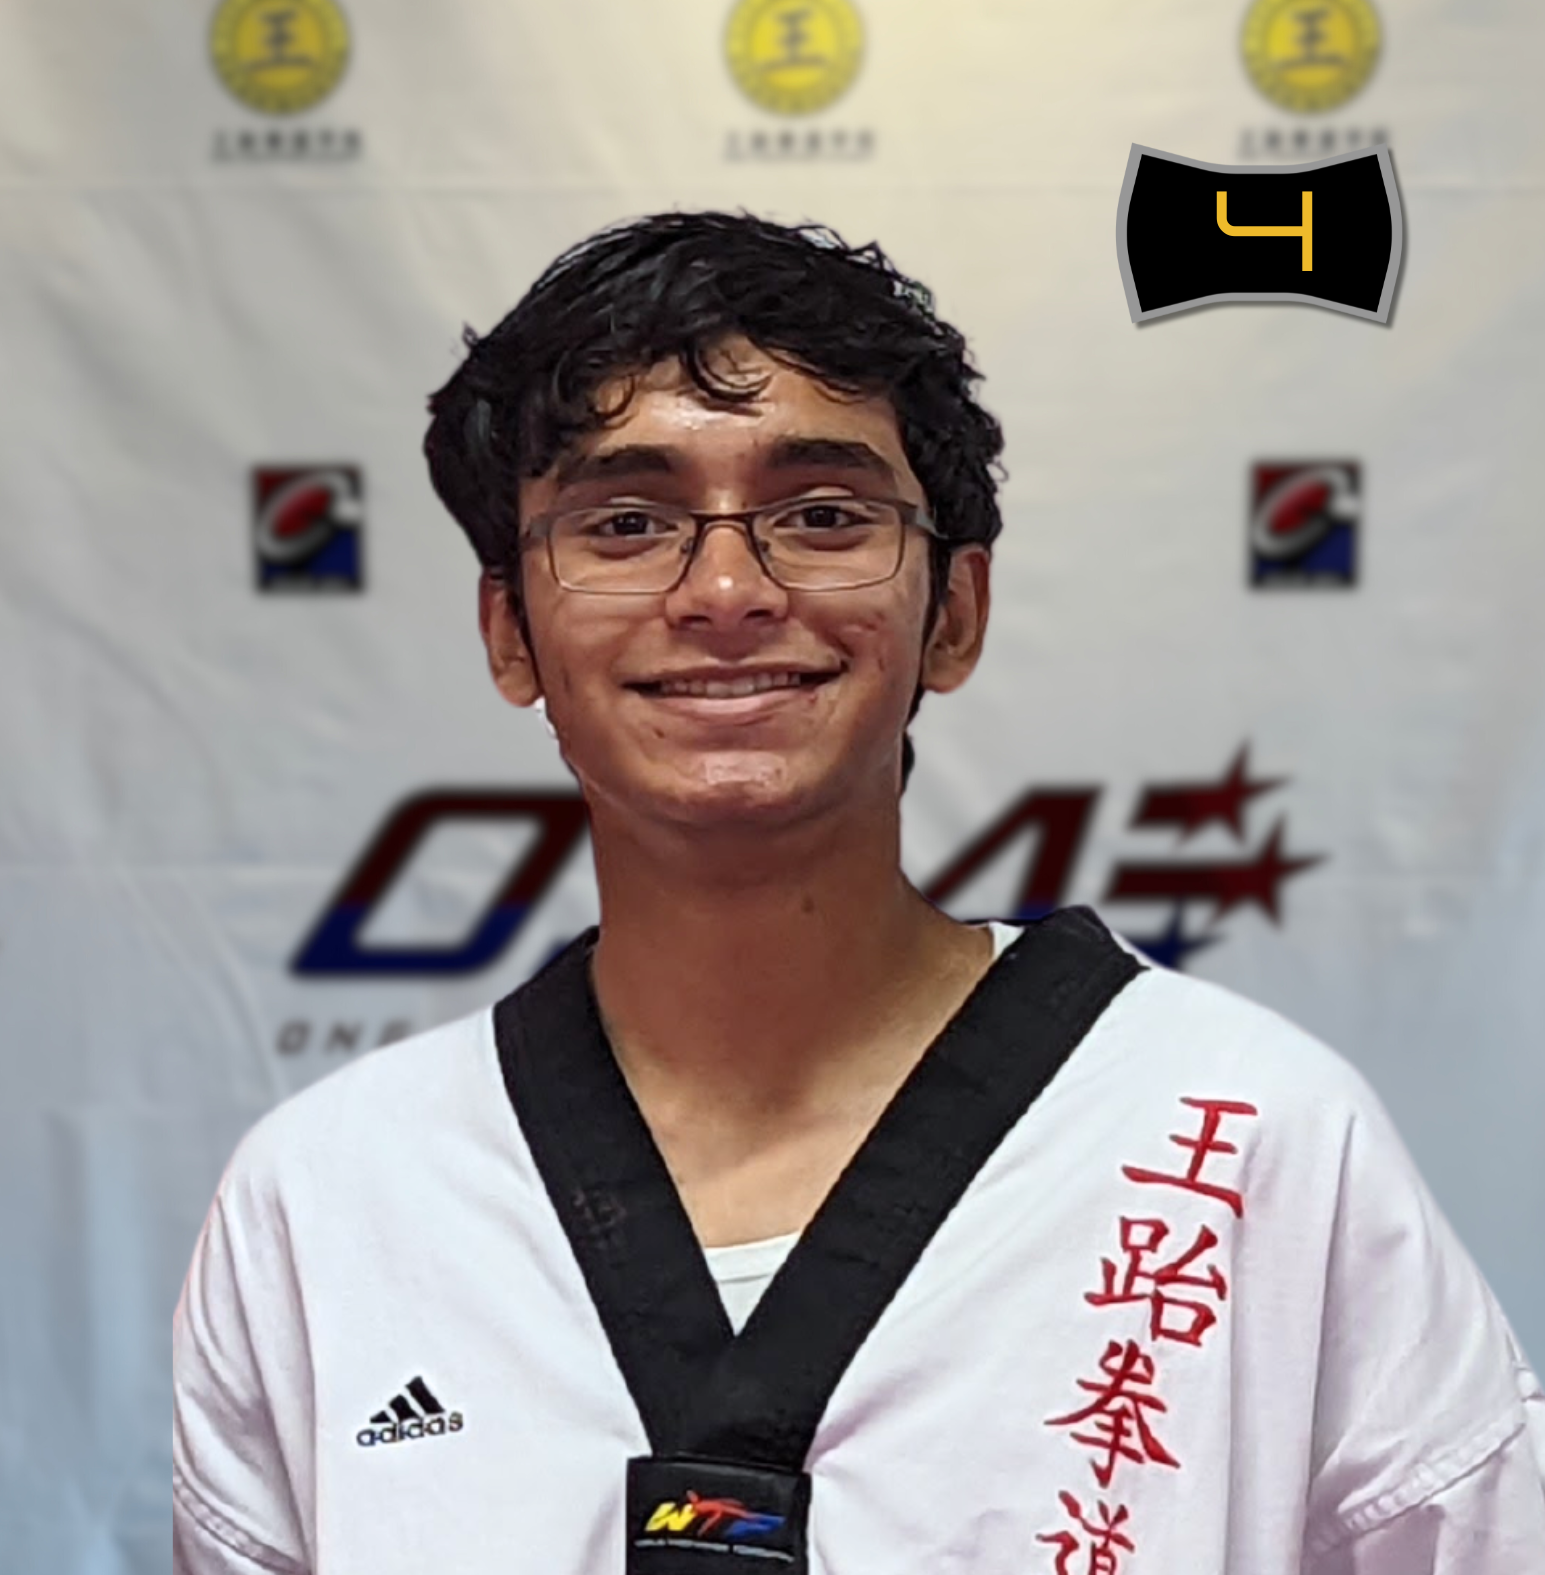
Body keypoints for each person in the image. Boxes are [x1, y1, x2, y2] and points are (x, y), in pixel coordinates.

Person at [172, 211, 1545, 1575]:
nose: (722, 589)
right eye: (627, 520)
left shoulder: (1252, 1143)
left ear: (953, 612)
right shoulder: (328, 1202)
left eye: (822, 515)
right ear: (507, 630)